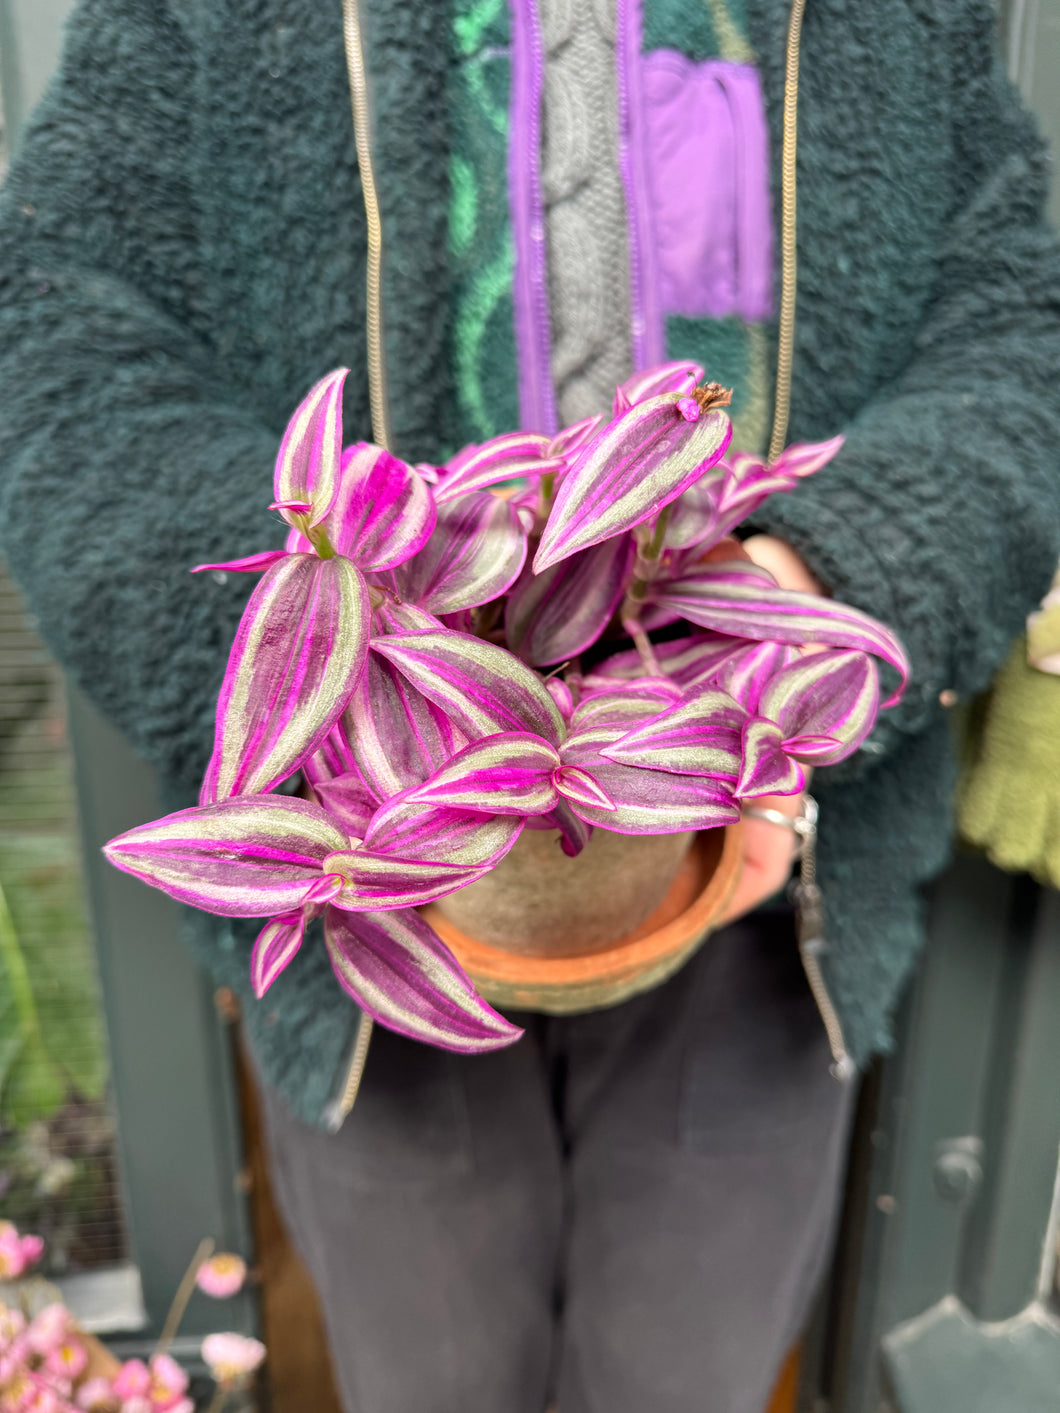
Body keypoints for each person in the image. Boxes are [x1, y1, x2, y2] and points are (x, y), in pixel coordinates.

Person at [1, 0, 1058, 1409]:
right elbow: (62, 344)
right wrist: (340, 661)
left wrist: (812, 589)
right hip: (371, 917)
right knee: (427, 1371)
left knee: (686, 1373)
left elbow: (1015, 330)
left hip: (772, 887)